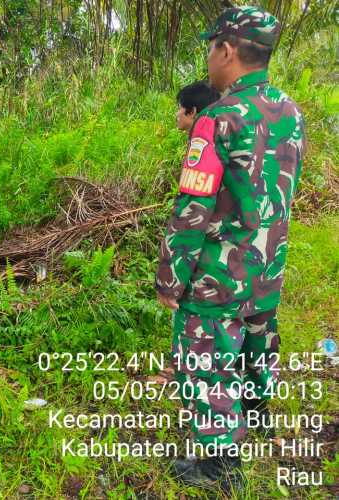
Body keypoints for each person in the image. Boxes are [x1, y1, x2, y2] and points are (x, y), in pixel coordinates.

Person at [154, 6, 306, 492]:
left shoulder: (217, 119)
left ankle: (221, 466)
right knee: (258, 345)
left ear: (226, 50)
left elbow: (192, 210)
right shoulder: (290, 111)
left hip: (219, 275)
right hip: (268, 266)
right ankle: (259, 417)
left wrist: (169, 278)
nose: (209, 56)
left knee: (207, 360)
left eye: (210, 47)